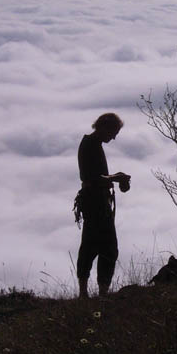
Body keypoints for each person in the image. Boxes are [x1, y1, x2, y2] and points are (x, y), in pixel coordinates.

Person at [75, 113, 130, 298]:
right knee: (104, 247)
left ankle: (92, 291)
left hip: (95, 202)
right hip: (95, 203)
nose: (113, 137)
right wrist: (116, 178)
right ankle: (98, 292)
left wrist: (115, 179)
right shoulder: (90, 145)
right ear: (104, 127)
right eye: (113, 132)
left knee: (93, 245)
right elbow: (92, 178)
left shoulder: (91, 144)